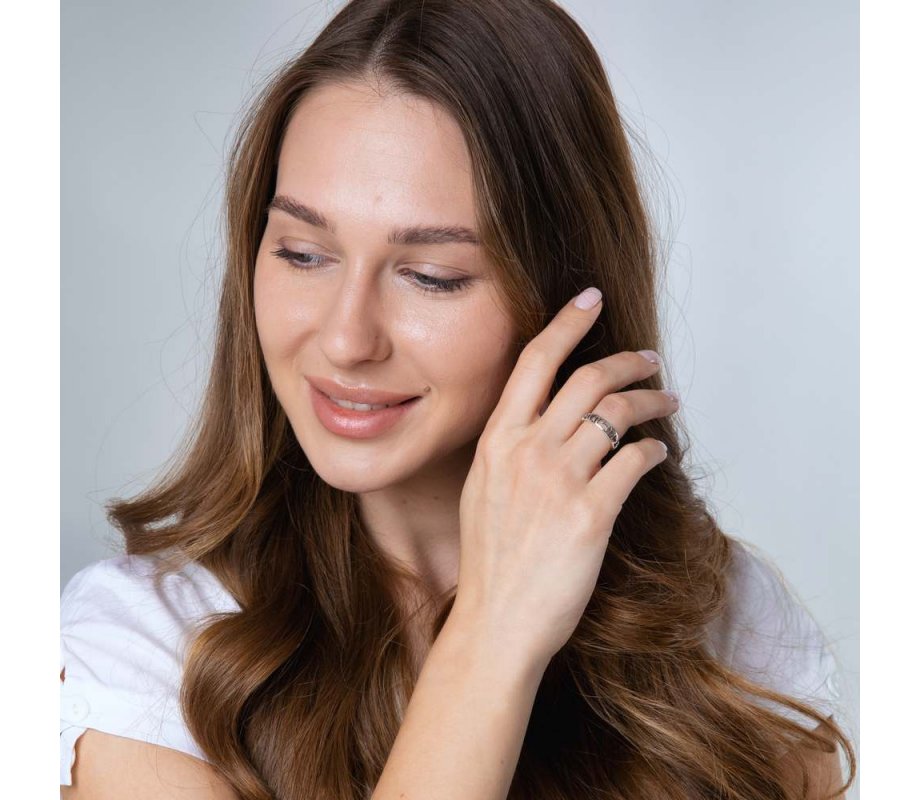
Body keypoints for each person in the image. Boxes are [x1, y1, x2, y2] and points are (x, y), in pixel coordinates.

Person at [60, 1, 856, 798]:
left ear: (561, 295)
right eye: (304, 254)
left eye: (430, 276)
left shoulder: (727, 627)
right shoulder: (145, 650)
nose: (346, 339)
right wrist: (494, 634)